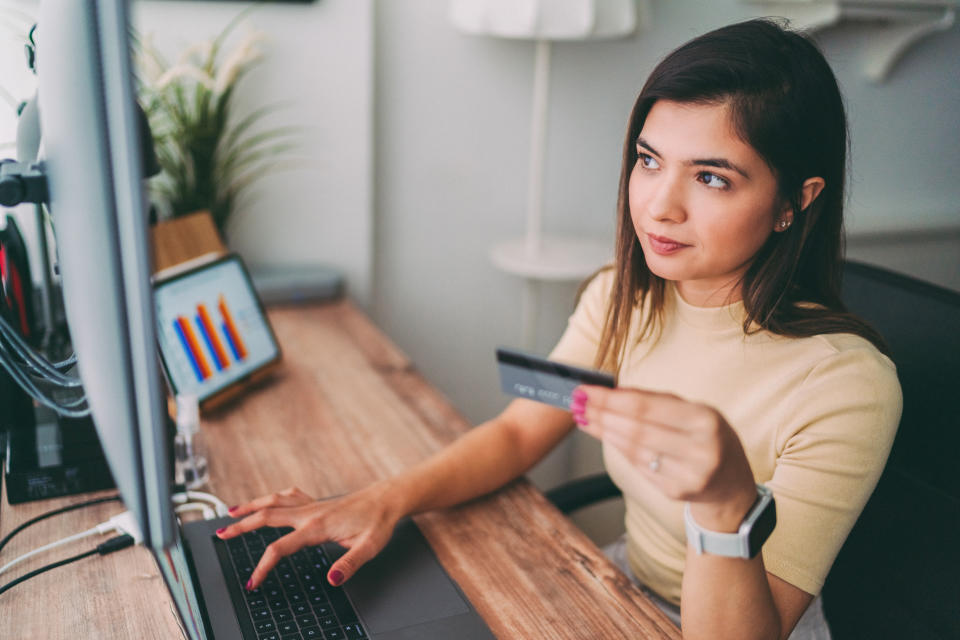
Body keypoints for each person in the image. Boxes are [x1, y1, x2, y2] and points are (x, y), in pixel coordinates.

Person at [217, 18, 902, 639]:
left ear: (794, 202)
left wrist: (725, 504)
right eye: (649, 159)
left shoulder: (845, 386)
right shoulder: (625, 296)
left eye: (713, 179)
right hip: (620, 586)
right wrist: (382, 500)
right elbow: (521, 430)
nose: (660, 206)